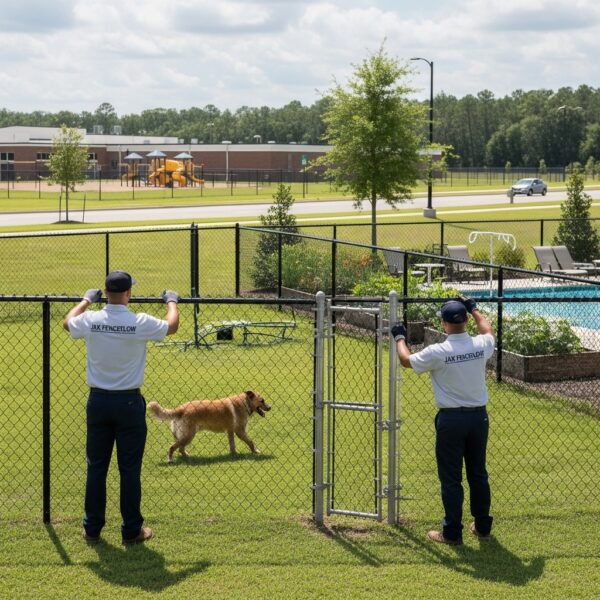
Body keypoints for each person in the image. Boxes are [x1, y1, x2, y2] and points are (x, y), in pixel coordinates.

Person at [63, 270, 180, 546]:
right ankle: (131, 531)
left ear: (105, 293)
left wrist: (85, 300)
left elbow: (68, 323)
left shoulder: (92, 319)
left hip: (99, 401)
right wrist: (171, 301)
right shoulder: (138, 321)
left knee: (96, 467)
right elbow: (171, 326)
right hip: (128, 402)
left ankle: (92, 528)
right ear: (128, 294)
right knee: (129, 469)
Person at [391, 296, 495, 545]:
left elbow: (406, 360)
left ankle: (452, 532)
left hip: (451, 420)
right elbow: (488, 329)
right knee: (478, 473)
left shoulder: (439, 351)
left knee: (451, 478)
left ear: (443, 324)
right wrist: (474, 307)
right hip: (478, 417)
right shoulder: (480, 345)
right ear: (466, 320)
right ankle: (482, 526)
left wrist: (399, 337)